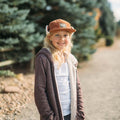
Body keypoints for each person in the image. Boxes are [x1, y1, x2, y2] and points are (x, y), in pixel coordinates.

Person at [34, 19, 85, 120]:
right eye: (57, 35)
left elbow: (77, 87)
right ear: (50, 37)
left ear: (69, 38)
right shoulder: (43, 59)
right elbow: (39, 91)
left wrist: (80, 112)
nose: (62, 39)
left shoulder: (71, 59)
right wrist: (49, 116)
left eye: (65, 35)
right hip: (54, 115)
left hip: (72, 114)